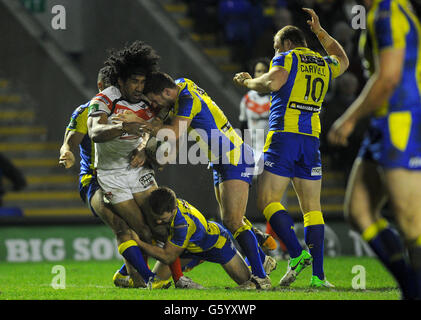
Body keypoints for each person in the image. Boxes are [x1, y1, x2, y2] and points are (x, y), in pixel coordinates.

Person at [115, 73, 275, 290]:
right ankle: (260, 254)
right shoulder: (179, 89)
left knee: (233, 221)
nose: (154, 105)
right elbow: (161, 123)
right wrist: (145, 146)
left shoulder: (187, 98)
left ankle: (260, 276)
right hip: (221, 160)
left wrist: (138, 121)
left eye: (154, 100)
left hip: (234, 157)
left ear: (166, 92)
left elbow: (173, 132)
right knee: (229, 219)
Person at [233, 8, 349, 288]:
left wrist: (248, 81)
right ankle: (319, 278)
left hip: (284, 135)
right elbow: (343, 59)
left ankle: (297, 255)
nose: (274, 52)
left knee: (266, 200)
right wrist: (320, 32)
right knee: (312, 207)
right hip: (311, 140)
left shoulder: (286, 57)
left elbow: (271, 81)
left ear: (286, 43)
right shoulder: (322, 62)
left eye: (276, 46)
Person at [327, 0, 421, 299]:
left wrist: (349, 119)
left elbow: (389, 77)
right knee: (359, 210)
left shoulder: (387, 12)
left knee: (411, 224)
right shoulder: (383, 10)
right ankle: (411, 286)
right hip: (385, 121)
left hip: (401, 121)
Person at [134, 186, 253, 288]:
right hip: (189, 249)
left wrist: (138, 243)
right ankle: (195, 260)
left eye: (163, 219)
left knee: (248, 282)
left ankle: (258, 256)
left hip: (216, 244)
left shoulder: (182, 224)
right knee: (157, 282)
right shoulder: (168, 203)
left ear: (174, 209)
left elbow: (168, 257)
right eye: (157, 218)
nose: (159, 222)